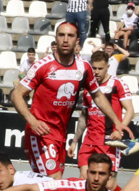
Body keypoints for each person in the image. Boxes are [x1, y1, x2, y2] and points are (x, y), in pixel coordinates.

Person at [11, 22, 126, 179]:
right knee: (55, 182)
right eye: (61, 35)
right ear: (56, 38)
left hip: (61, 135)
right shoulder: (42, 66)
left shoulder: (84, 67)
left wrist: (117, 121)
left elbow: (98, 96)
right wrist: (33, 121)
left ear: (77, 40)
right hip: (41, 134)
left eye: (70, 35)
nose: (65, 40)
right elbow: (16, 95)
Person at [69, 50, 134, 190]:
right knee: (85, 180)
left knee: (108, 185)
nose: (97, 72)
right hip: (90, 140)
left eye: (100, 68)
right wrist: (75, 141)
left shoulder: (118, 84)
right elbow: (84, 116)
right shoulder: (88, 87)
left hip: (108, 140)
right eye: (94, 68)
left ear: (107, 67)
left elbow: (130, 110)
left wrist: (119, 129)